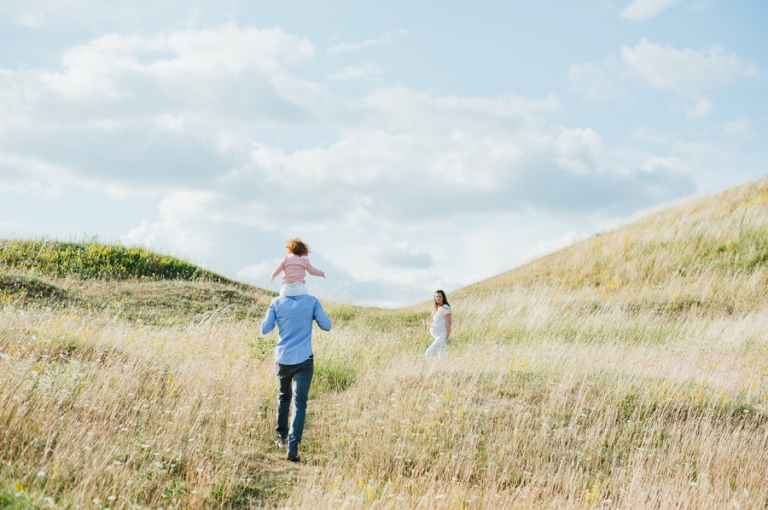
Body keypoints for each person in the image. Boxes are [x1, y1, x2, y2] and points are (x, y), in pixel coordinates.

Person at [261, 291, 332, 462]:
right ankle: (293, 448)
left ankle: (281, 440)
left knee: (284, 397)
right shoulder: (312, 301)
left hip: (283, 359)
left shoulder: (276, 302)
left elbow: (265, 329)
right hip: (304, 359)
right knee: (299, 403)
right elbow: (327, 325)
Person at [423, 290, 452, 360]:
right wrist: (427, 323)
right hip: (438, 337)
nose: (438, 298)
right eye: (436, 297)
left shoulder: (445, 307)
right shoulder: (438, 308)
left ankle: (433, 370)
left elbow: (449, 322)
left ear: (443, 297)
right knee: (442, 358)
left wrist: (447, 337)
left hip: (443, 336)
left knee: (428, 354)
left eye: (440, 296)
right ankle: (442, 371)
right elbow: (437, 324)